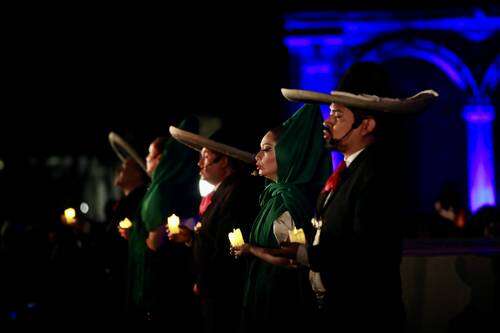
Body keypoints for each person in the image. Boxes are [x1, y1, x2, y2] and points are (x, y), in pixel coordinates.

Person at [278, 62, 439, 331]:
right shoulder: (349, 170)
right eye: (330, 113)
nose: (327, 122)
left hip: (363, 314)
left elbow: (362, 250)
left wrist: (306, 254)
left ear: (366, 126)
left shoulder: (377, 175)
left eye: (338, 116)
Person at [233, 104, 332, 332]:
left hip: (280, 299)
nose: (257, 156)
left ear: (290, 152)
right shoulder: (273, 196)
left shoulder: (293, 200)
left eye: (266, 149)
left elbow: (292, 259)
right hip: (262, 291)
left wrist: (251, 249)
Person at [168, 126, 262, 333]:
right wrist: (192, 238)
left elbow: (226, 248)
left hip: (225, 296)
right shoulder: (224, 192)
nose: (199, 163)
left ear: (225, 160)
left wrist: (206, 281)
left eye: (206, 156)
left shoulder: (236, 194)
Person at [123, 117, 200, 321]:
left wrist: (144, 242)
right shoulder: (165, 187)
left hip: (156, 280)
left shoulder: (161, 191)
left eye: (150, 154)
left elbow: (155, 241)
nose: (146, 159)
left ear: (161, 159)